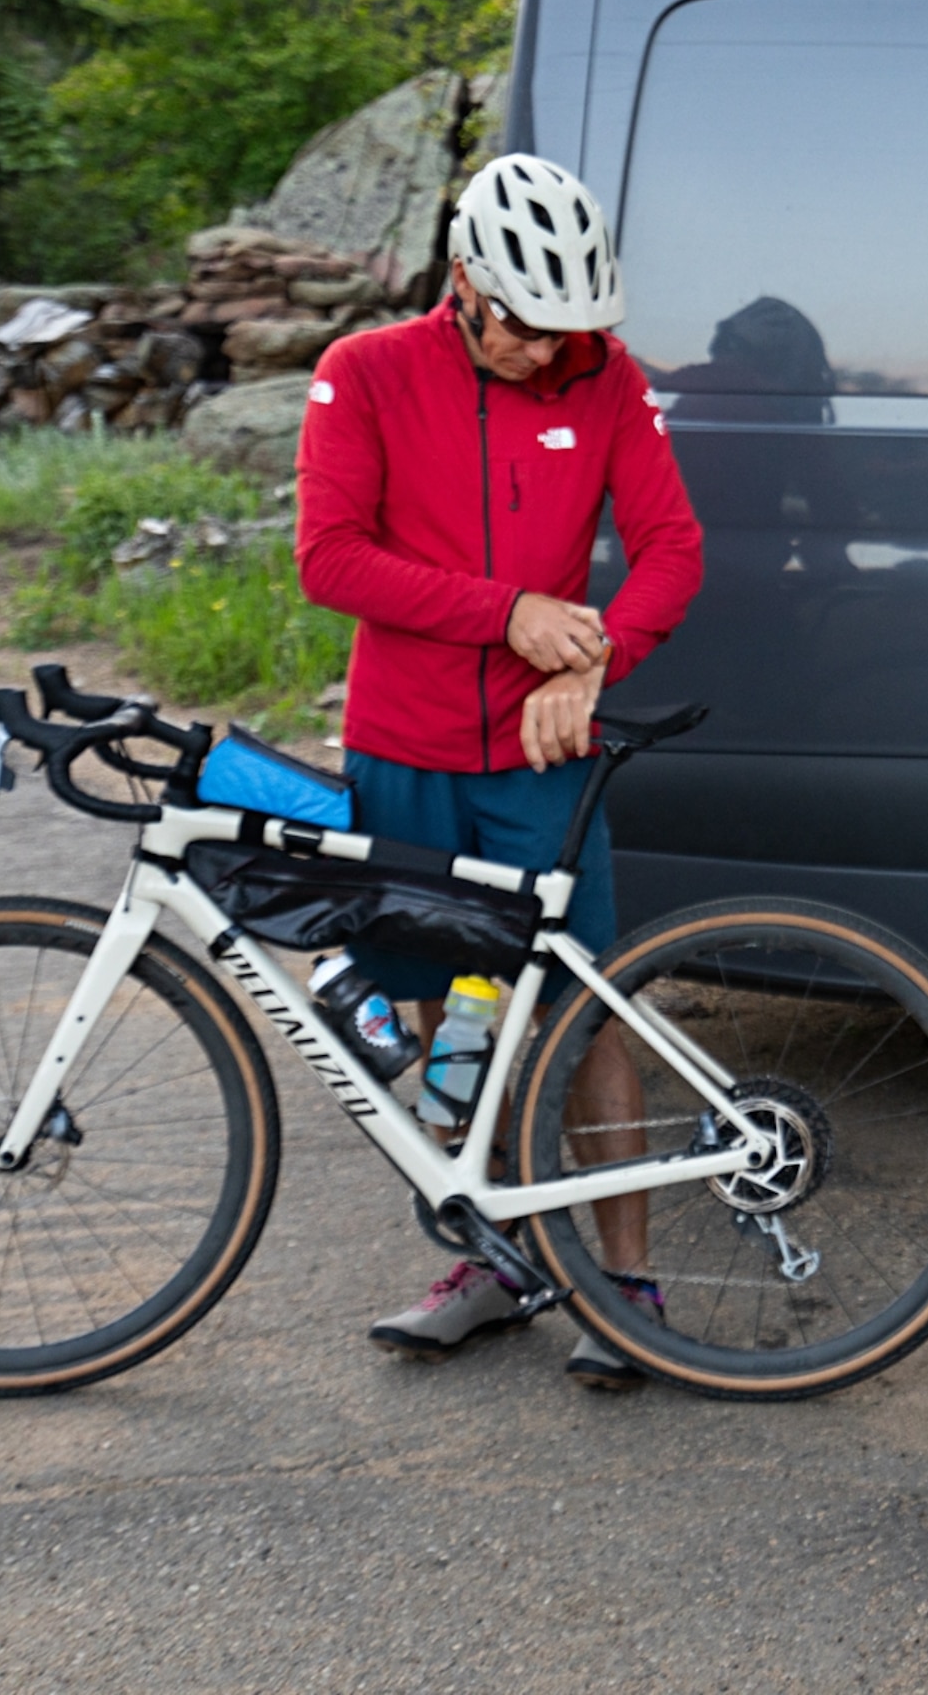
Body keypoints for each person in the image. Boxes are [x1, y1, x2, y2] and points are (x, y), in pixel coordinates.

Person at [295, 153, 705, 1390]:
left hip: (543, 760)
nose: (549, 349)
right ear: (467, 282)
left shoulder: (605, 376)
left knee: (585, 1013)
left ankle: (625, 1283)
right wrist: (508, 613)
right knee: (446, 995)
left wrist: (597, 660)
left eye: (571, 326)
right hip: (405, 748)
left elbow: (673, 547)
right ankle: (496, 1257)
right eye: (527, 323)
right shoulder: (364, 373)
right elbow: (331, 558)